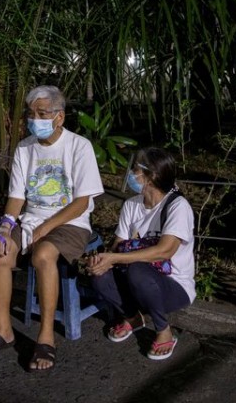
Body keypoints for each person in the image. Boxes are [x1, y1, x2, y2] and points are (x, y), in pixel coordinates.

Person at [0, 85, 104, 372]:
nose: (35, 120)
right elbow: (17, 197)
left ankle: (46, 338)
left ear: (60, 117)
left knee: (43, 254)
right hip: (30, 219)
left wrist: (46, 227)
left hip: (70, 223)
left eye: (42, 113)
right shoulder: (24, 147)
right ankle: (4, 330)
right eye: (32, 114)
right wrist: (4, 227)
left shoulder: (79, 146)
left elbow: (81, 203)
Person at [84, 147, 195, 361]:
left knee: (138, 271)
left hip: (173, 285)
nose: (130, 174)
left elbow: (164, 251)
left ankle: (163, 330)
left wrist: (115, 258)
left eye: (135, 169)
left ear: (151, 176)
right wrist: (103, 260)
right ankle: (132, 317)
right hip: (136, 280)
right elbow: (119, 245)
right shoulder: (131, 204)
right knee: (99, 275)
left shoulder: (178, 206)